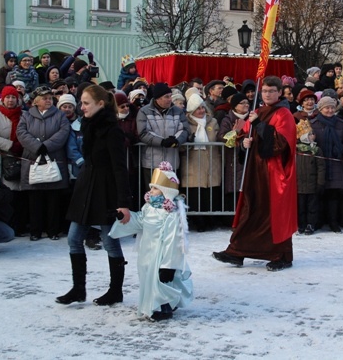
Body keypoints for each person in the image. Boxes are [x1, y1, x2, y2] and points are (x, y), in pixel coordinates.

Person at [55, 85, 132, 306]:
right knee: (73, 239)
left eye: (86, 103)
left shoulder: (112, 130)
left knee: (110, 241)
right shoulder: (87, 126)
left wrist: (123, 203)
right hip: (86, 185)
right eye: (81, 102)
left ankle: (115, 291)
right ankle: (78, 289)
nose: (82, 107)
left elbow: (119, 167)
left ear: (101, 104)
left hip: (105, 190)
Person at [212, 76, 297, 272]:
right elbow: (243, 136)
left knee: (273, 214)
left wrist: (258, 124)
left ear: (279, 93)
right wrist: (243, 144)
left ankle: (281, 254)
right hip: (254, 171)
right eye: (265, 91)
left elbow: (280, 144)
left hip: (273, 173)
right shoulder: (256, 113)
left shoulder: (284, 114)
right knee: (250, 210)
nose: (267, 94)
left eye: (271, 91)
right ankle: (237, 250)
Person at [109, 161, 193, 321]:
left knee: (158, 281)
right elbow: (140, 221)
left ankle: (162, 307)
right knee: (147, 279)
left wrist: (168, 265)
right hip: (146, 251)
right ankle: (152, 305)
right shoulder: (149, 207)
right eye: (152, 187)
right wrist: (123, 217)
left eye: (155, 188)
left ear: (165, 191)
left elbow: (173, 239)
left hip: (159, 253)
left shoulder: (170, 213)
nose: (151, 191)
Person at [16, 85, 71, 241]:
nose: (48, 100)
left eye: (50, 98)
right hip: (33, 159)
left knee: (54, 199)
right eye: (45, 98)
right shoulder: (26, 116)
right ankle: (35, 231)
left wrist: (46, 146)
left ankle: (53, 230)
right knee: (35, 199)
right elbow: (21, 132)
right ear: (36, 101)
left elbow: (63, 132)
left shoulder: (59, 115)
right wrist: (36, 146)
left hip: (54, 158)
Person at [0, 85, 28, 236]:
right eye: (8, 97)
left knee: (22, 194)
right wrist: (9, 145)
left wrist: (24, 145)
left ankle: (22, 225)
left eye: (13, 97)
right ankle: (10, 224)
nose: (10, 100)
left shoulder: (24, 115)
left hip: (23, 157)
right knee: (9, 193)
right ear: (3, 99)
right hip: (6, 159)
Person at [136, 83, 189, 192]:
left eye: (170, 96)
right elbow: (143, 133)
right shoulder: (144, 111)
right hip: (152, 162)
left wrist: (176, 140)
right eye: (167, 97)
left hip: (172, 161)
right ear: (157, 99)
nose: (170, 99)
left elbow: (184, 129)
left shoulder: (177, 111)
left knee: (170, 194)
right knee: (153, 194)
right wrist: (162, 142)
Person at [180, 93, 221, 232]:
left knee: (210, 190)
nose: (201, 111)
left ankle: (211, 220)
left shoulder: (213, 122)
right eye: (198, 109)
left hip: (211, 160)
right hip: (192, 161)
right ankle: (197, 221)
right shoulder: (185, 123)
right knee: (195, 191)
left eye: (203, 108)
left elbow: (218, 138)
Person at [310, 96, 343, 232]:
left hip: (336, 162)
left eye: (332, 107)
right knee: (320, 192)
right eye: (327, 107)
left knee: (333, 194)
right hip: (319, 163)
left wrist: (341, 149)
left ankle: (333, 221)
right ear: (320, 109)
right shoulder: (313, 124)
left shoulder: (341, 124)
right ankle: (319, 220)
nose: (330, 110)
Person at [295, 119, 325, 235]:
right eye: (310, 134)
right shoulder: (296, 149)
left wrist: (320, 183)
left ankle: (311, 224)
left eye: (313, 133)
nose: (313, 135)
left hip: (312, 184)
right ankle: (301, 224)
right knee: (301, 207)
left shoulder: (316, 150)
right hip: (299, 185)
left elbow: (321, 167)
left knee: (312, 207)